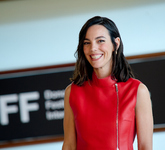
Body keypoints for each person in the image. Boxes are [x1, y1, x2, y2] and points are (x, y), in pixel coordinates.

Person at [62, 16, 153, 150]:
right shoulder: (72, 92)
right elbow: (69, 146)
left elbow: (145, 147)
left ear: (115, 44)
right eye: (87, 43)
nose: (93, 48)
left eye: (100, 41)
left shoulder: (138, 91)